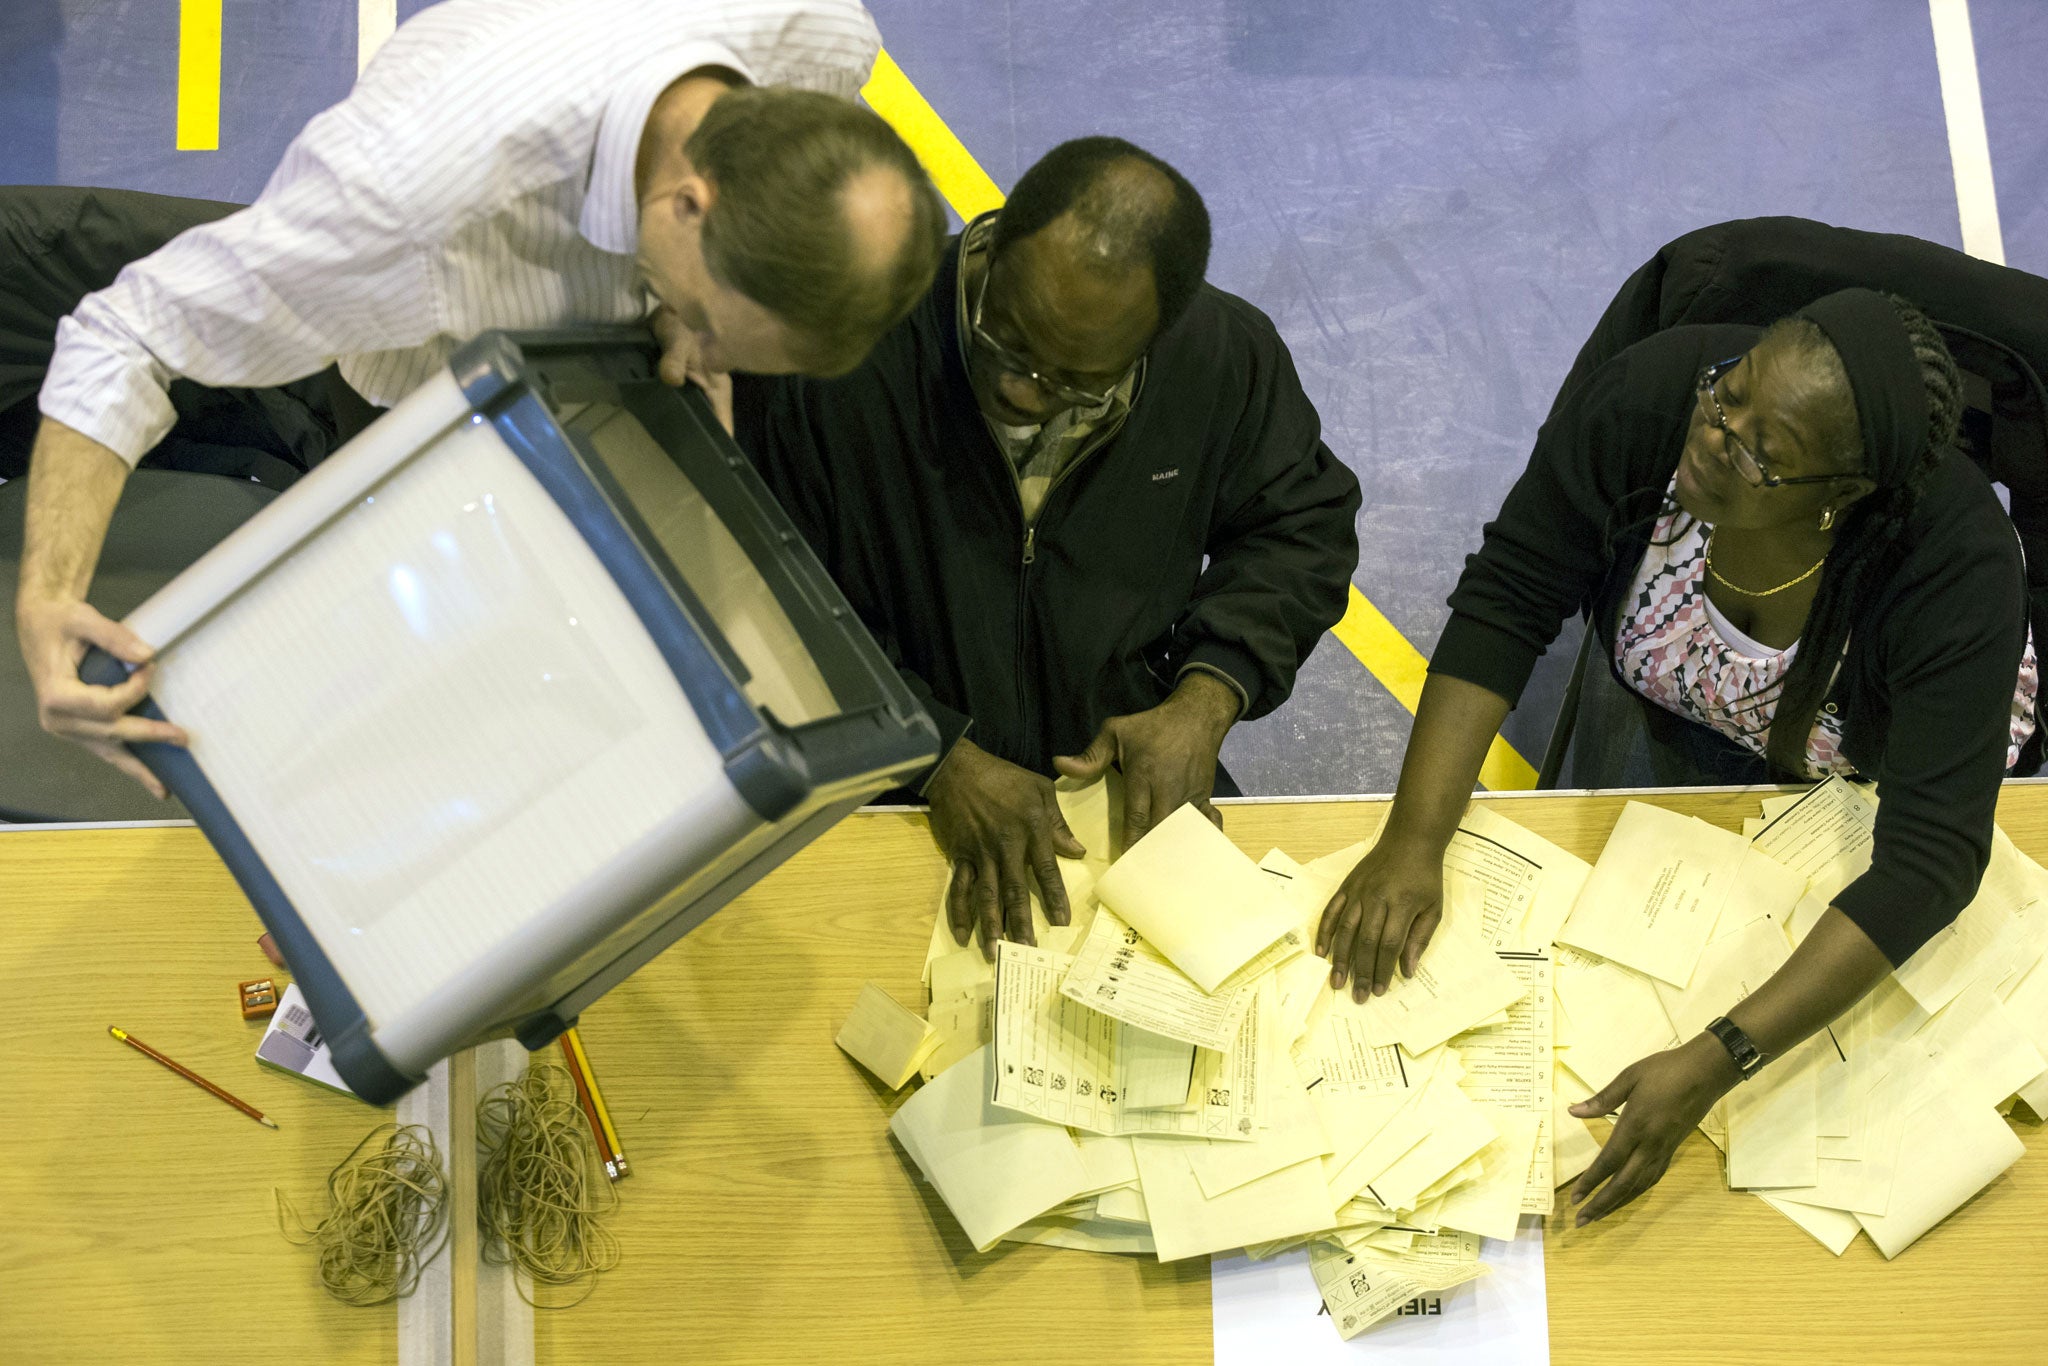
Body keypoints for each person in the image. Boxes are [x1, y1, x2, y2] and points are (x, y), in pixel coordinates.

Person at [15, 0, 945, 798]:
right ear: (688, 206)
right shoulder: (396, 207)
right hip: (426, 359)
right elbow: (126, 330)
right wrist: (49, 596)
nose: (693, 358)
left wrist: (682, 316)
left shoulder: (819, 35)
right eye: (700, 320)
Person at [1316, 286, 2036, 1227]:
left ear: (1844, 496)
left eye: (1761, 454)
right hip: (1678, 708)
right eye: (1727, 395)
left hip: (1852, 770)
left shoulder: (1954, 570)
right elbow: (1510, 597)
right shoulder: (1652, 404)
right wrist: (1413, 841)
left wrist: (1718, 1058)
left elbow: (1929, 861)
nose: (1714, 436)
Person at [732, 136, 1361, 956]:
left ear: (1155, 340)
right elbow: (758, 599)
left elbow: (1300, 526)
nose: (1023, 390)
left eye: (1075, 381)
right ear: (991, 249)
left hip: (1112, 788)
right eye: (1009, 341)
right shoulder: (841, 353)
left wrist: (1205, 700)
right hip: (885, 774)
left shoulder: (1221, 358)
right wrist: (934, 752)